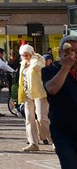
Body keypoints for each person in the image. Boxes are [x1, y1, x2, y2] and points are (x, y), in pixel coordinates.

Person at [42, 35, 77, 167]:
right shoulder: (50, 70)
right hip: (63, 132)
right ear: (61, 53)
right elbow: (52, 89)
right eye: (70, 51)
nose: (73, 56)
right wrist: (66, 67)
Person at [18, 44, 51, 152]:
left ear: (31, 53)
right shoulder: (23, 63)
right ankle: (33, 143)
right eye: (23, 55)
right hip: (27, 94)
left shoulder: (39, 59)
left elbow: (37, 67)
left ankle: (55, 141)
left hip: (39, 93)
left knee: (42, 118)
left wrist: (33, 58)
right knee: (29, 119)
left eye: (26, 55)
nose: (25, 57)